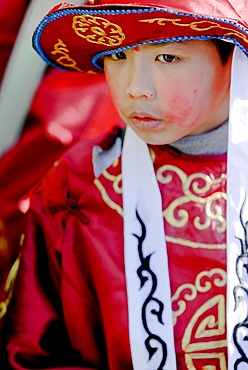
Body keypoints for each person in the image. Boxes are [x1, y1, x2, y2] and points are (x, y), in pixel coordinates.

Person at [3, 0, 248, 369]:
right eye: (117, 55)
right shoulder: (80, 184)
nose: (136, 88)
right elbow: (33, 350)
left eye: (167, 58)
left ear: (233, 57)